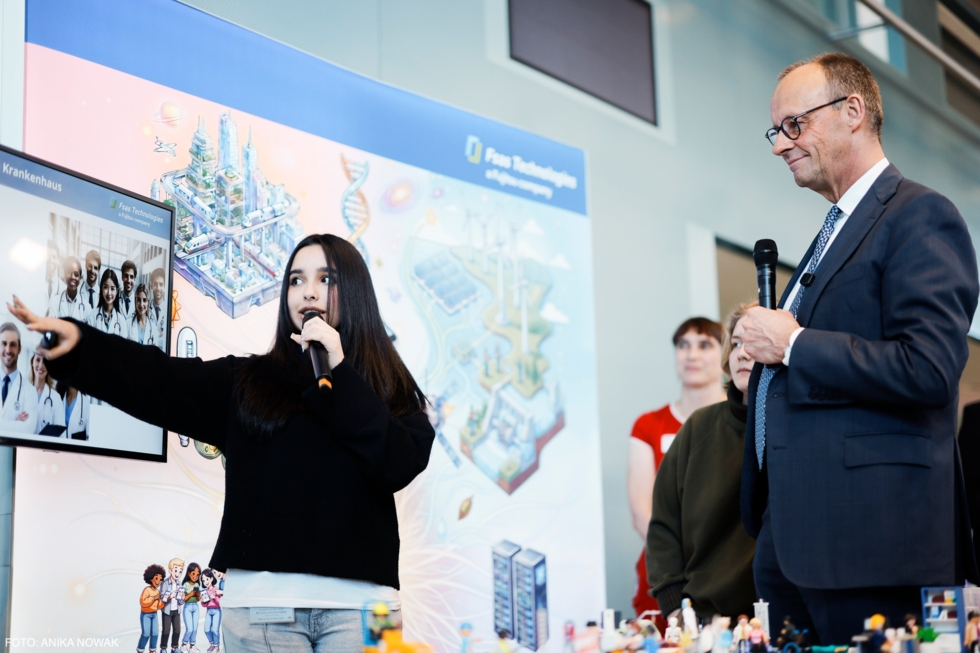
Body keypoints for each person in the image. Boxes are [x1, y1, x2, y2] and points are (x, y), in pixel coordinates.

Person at [10, 233, 434, 652]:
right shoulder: (247, 383)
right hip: (262, 613)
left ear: (356, 291)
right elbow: (159, 381)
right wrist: (83, 348)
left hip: (366, 612)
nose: (308, 292)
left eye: (326, 279)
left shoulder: (386, 387)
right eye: (296, 280)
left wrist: (339, 372)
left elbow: (398, 464)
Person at [740, 52, 980, 645]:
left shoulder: (920, 215)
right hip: (792, 542)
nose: (780, 145)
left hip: (871, 546)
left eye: (794, 124)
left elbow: (928, 369)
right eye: (776, 131)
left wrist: (793, 344)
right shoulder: (833, 232)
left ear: (853, 111)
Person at [646, 302, 758, 621]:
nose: (742, 354)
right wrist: (675, 608)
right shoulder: (699, 427)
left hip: (785, 618)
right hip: (704, 617)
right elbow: (664, 524)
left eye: (753, 342)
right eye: (736, 343)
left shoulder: (800, 429)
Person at [628, 317, 726, 619]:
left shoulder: (743, 420)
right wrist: (674, 566)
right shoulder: (648, 425)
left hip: (726, 574)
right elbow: (642, 514)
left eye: (704, 345)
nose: (691, 355)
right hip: (664, 576)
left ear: (725, 353)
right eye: (683, 345)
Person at [0, 323, 38, 434]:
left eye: (13, 345)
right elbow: (21, 429)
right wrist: (15, 424)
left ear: (19, 349)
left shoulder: (30, 391)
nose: (8, 350)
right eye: (4, 344)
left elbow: (28, 429)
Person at [87, 269, 128, 338]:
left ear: (117, 291)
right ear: (101, 289)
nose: (109, 293)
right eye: (106, 287)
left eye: (112, 289)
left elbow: (123, 344)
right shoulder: (93, 314)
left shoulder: (121, 320)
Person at [30, 351, 64, 435]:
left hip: (45, 444)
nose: (41, 365)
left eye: (45, 362)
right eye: (38, 360)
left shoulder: (56, 398)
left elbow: (61, 434)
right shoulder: (23, 392)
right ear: (32, 362)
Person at [47, 256, 89, 322]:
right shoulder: (55, 301)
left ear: (80, 278)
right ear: (64, 274)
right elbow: (50, 325)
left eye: (76, 274)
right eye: (69, 272)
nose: (72, 277)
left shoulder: (87, 307)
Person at [159, 558, 185, 653]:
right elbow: (162, 598)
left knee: (177, 630)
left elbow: (181, 602)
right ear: (170, 570)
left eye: (180, 571)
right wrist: (171, 596)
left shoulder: (180, 584)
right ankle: (163, 648)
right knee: (166, 631)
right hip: (167, 611)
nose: (178, 573)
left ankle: (174, 647)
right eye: (176, 570)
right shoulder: (165, 583)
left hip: (177, 610)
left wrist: (182, 598)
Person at [139, 564, 166, 653]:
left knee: (155, 634)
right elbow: (143, 602)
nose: (158, 581)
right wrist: (154, 598)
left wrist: (165, 601)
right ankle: (140, 650)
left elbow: (158, 606)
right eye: (156, 578)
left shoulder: (157, 591)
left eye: (160, 579)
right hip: (145, 614)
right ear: (150, 578)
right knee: (146, 634)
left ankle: (152, 650)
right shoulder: (147, 590)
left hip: (154, 614)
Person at [129, 284, 161, 350]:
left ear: (148, 302)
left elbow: (155, 353)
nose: (141, 304)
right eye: (139, 300)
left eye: (144, 300)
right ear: (135, 300)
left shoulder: (153, 329)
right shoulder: (128, 324)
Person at [181, 562, 202, 653]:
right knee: (189, 628)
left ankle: (192, 646)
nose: (195, 576)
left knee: (194, 628)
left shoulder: (197, 585)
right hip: (188, 607)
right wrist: (191, 594)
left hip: (195, 607)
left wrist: (197, 594)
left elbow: (198, 599)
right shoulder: (185, 585)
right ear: (189, 573)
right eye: (193, 573)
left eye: (197, 574)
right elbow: (183, 599)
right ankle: (183, 645)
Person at [200, 568, 222, 653]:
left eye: (207, 579)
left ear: (212, 579)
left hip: (216, 611)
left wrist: (214, 597)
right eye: (203, 580)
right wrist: (203, 601)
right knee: (206, 629)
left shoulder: (216, 589)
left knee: (215, 630)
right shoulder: (205, 591)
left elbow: (220, 603)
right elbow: (204, 605)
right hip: (209, 611)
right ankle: (212, 644)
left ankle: (216, 646)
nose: (205, 582)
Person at [149, 267, 167, 344]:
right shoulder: (145, 309)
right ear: (151, 286)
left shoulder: (168, 310)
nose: (158, 288)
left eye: (161, 284)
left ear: (165, 287)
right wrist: (160, 333)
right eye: (155, 284)